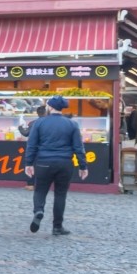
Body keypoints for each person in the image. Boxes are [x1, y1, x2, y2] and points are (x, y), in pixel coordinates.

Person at [24, 95, 86, 236]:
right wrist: (83, 166)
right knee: (60, 194)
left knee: (40, 190)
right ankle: (57, 226)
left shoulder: (40, 123)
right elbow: (78, 147)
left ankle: (39, 210)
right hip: (65, 163)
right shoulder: (72, 124)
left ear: (50, 107)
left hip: (44, 162)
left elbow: (31, 145)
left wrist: (29, 163)